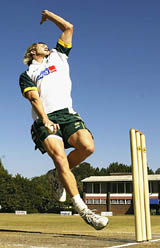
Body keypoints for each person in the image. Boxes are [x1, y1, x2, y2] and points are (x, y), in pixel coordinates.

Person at [19, 10, 108, 230]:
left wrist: (47, 15)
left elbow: (69, 28)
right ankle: (84, 210)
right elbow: (34, 98)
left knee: (87, 146)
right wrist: (46, 119)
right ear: (33, 51)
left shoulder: (59, 56)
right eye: (41, 45)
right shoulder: (27, 73)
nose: (46, 46)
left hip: (67, 114)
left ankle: (56, 176)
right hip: (44, 120)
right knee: (59, 157)